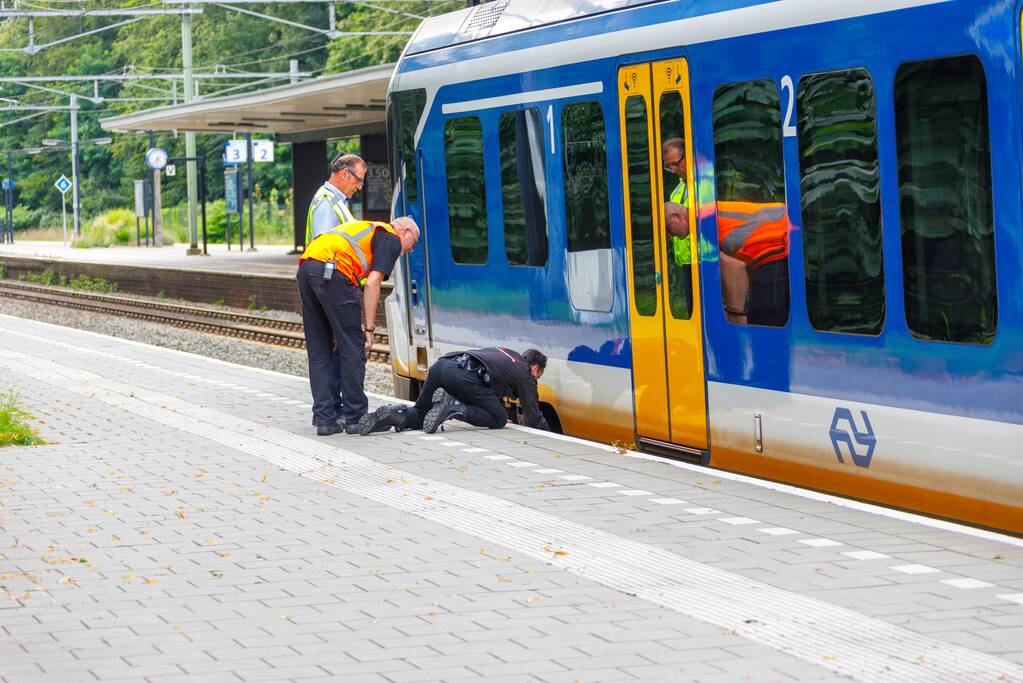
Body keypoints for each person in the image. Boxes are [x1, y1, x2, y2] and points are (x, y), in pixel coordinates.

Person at [297, 216, 420, 435]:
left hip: (307, 268)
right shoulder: (390, 236)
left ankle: (325, 419)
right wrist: (370, 329)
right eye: (413, 245)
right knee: (354, 346)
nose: (408, 251)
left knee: (320, 350)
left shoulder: (363, 229)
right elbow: (373, 283)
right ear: (406, 233)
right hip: (334, 271)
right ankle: (355, 417)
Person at [359, 348, 550, 435]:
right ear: (534, 368)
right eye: (539, 375)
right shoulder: (525, 374)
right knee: (499, 419)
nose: (536, 379)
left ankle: (394, 413)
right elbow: (532, 414)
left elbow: (489, 388)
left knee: (420, 415)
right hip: (464, 377)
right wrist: (549, 434)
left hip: (441, 366)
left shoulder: (507, 354)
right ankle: (453, 407)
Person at [304, 153, 366, 424]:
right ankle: (345, 413)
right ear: (344, 174)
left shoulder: (332, 202)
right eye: (359, 180)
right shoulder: (327, 204)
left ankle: (326, 416)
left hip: (318, 281)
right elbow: (325, 248)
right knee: (341, 348)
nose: (360, 186)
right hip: (331, 283)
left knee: (323, 351)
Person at [661, 139, 691, 267]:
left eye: (676, 164)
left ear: (688, 155)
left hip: (706, 261)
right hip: (686, 263)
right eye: (669, 167)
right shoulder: (676, 192)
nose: (673, 171)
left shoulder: (707, 186)